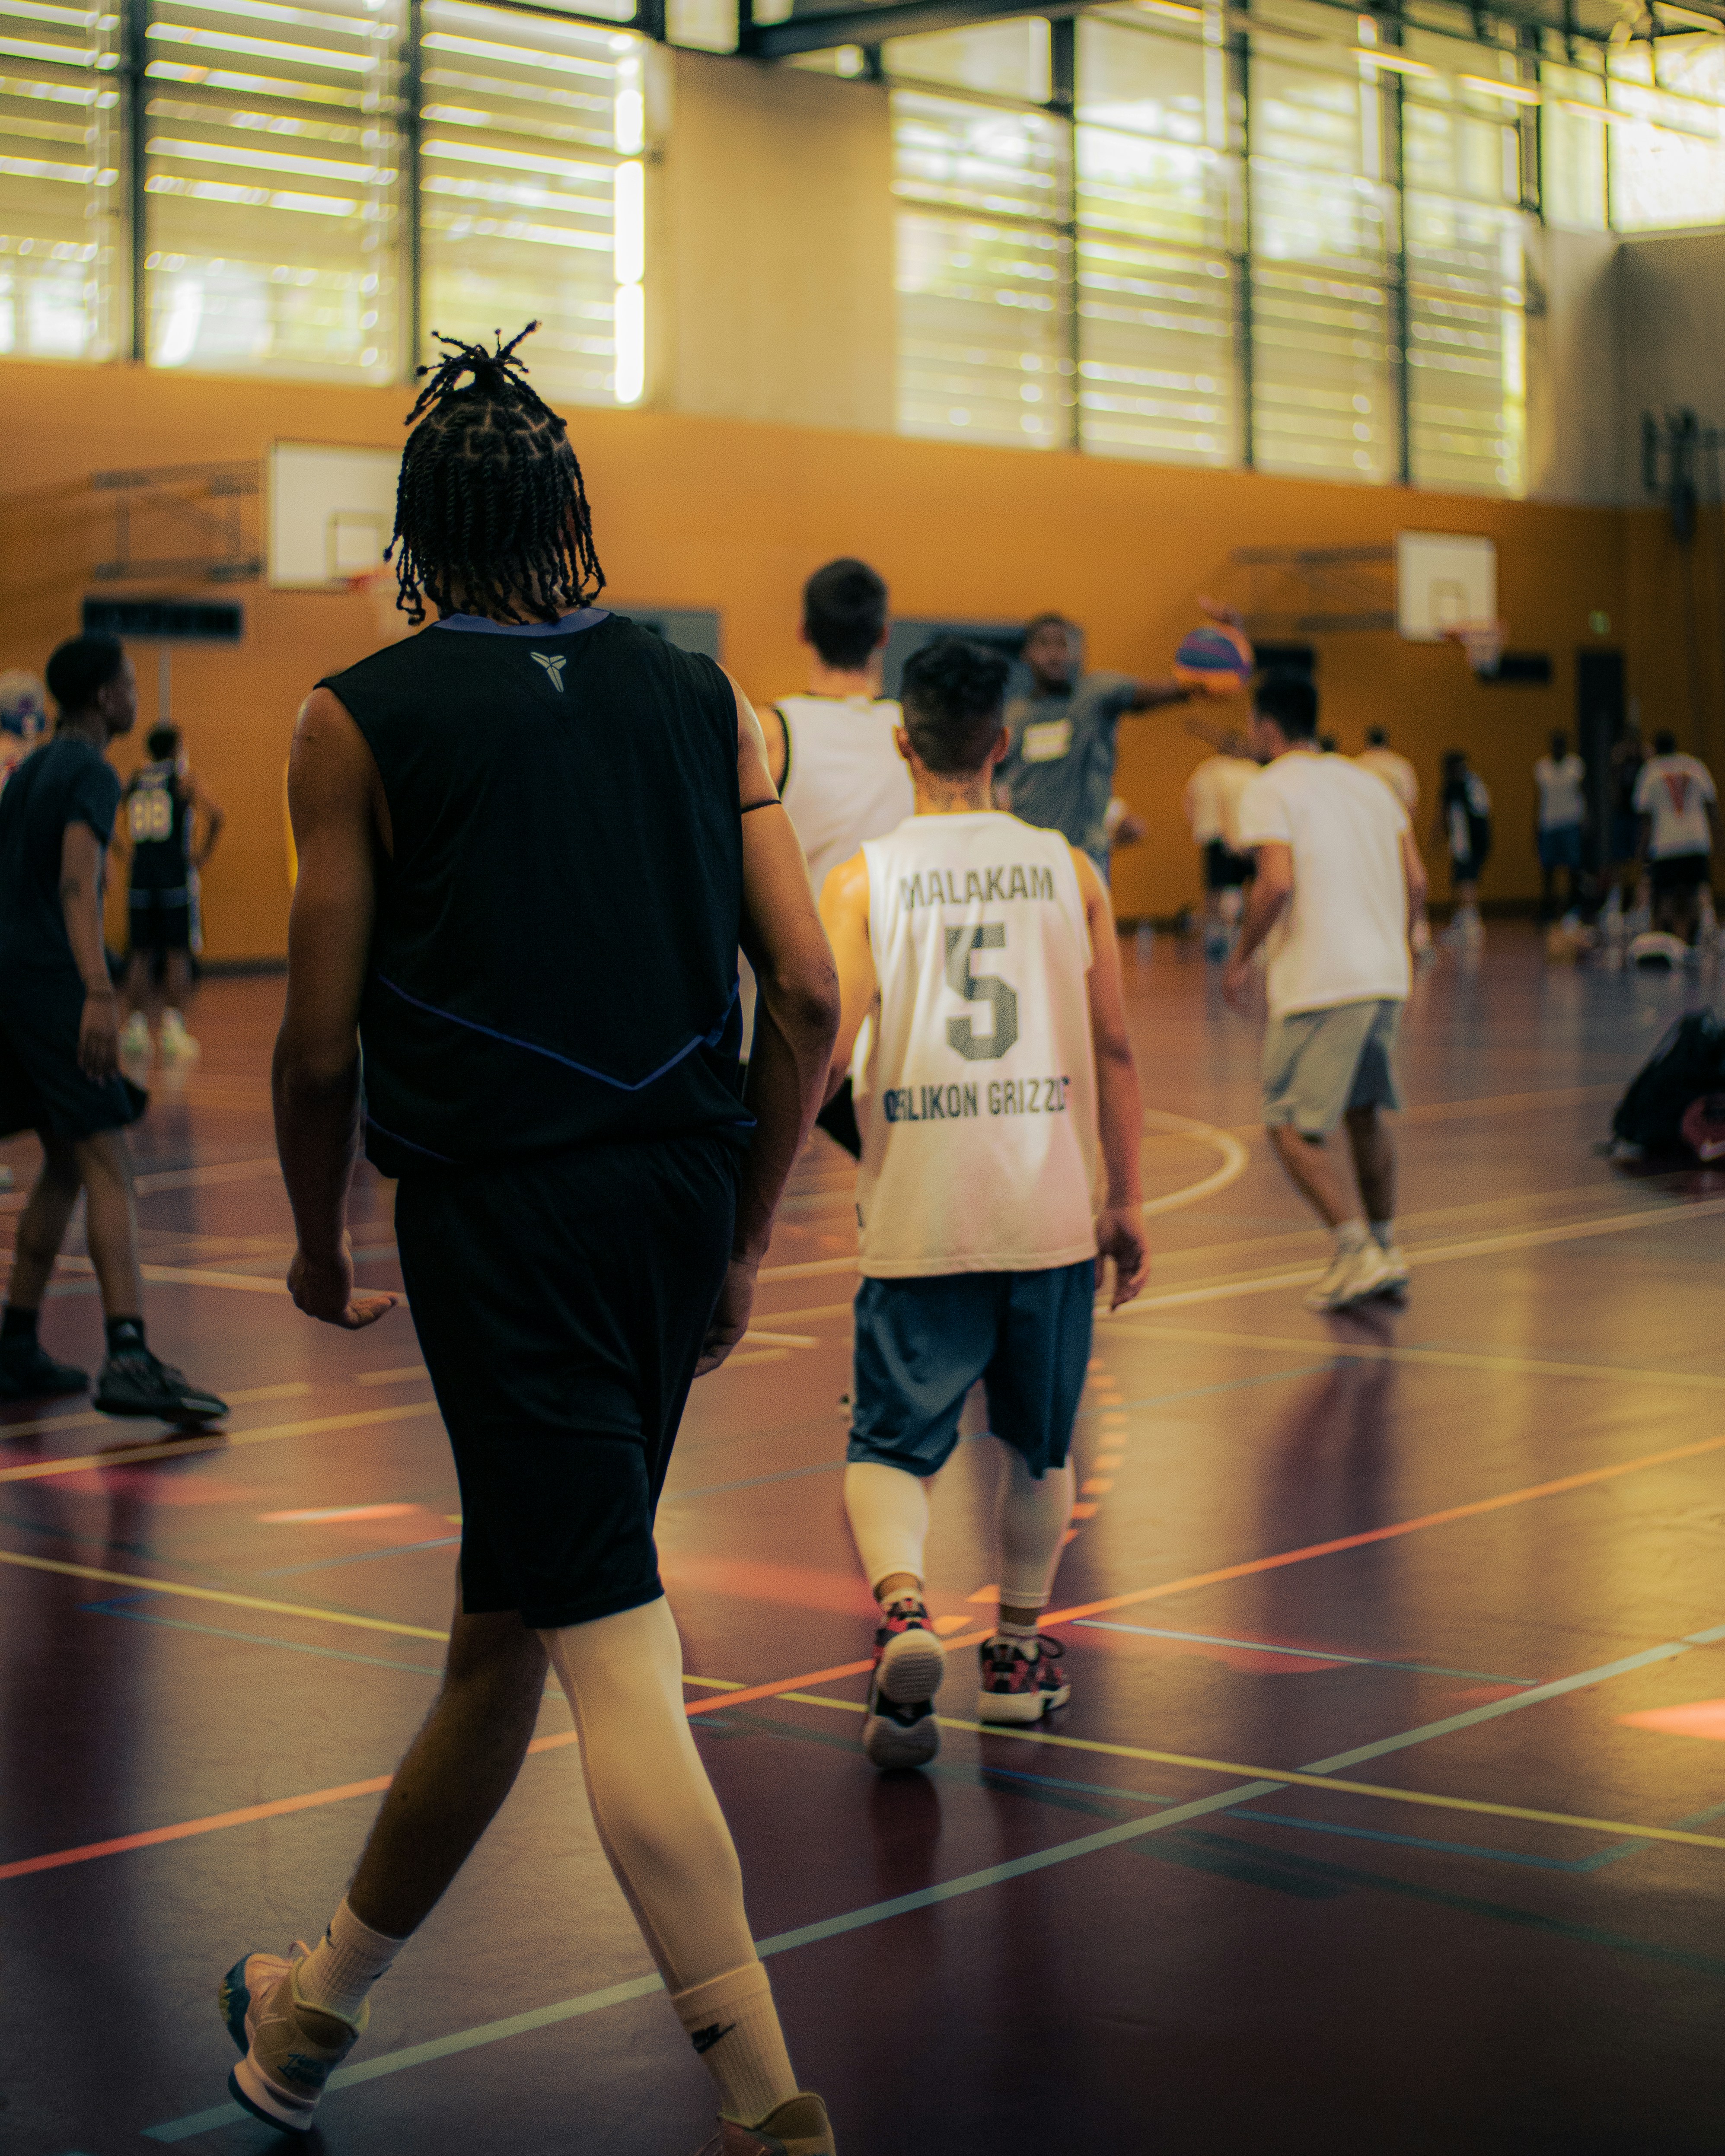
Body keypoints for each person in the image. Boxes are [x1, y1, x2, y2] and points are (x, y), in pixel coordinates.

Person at [226, 328, 842, 2156]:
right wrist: (737, 1240)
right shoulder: (708, 699)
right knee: (510, 1629)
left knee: (611, 1646)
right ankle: (306, 2015)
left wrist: (314, 1242)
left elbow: (317, 1037)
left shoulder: (353, 717)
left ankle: (768, 2096)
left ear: (416, 527)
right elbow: (806, 992)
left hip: (504, 1222)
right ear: (573, 517)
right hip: (671, 1200)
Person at [818, 638, 1149, 1771]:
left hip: (918, 1208)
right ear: (1002, 744)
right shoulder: (1072, 871)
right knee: (1038, 1446)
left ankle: (905, 1608)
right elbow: (1112, 1046)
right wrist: (1127, 1201)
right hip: (1045, 1204)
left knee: (887, 1444)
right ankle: (1013, 1658)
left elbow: (817, 1059)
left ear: (903, 742)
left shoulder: (864, 878)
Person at [0, 635, 227, 1418]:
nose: (137, 696)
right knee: (109, 1163)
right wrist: (99, 988)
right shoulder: (93, 772)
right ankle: (128, 1353)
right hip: (58, 987)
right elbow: (76, 880)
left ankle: (16, 1342)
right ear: (104, 696)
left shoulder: (28, 769)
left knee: (65, 1163)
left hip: (10, 986)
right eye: (130, 683)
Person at [1224, 672, 1426, 1313]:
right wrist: (1393, 943)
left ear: (1265, 728)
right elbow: (1416, 880)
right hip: (1383, 975)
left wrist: (1238, 958)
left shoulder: (1268, 787)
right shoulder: (1371, 784)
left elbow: (1275, 883)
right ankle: (1387, 1246)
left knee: (1286, 1123)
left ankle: (1354, 1249)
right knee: (1363, 1112)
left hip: (1320, 981)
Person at [757, 558, 911, 1160]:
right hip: (881, 1020)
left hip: (781, 1014)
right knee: (902, 1197)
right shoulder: (915, 736)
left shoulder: (769, 733)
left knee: (746, 1219)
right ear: (882, 635)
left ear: (803, 630)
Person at [996, 611, 1194, 869]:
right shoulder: (1013, 715)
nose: (1055, 654)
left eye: (1063, 644)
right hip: (1029, 855)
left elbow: (1162, 692)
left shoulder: (1096, 695)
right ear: (1027, 654)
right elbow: (994, 779)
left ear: (1076, 652)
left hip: (1086, 854)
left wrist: (1210, 667)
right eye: (1044, 645)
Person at [115, 721, 224, 1064]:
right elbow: (217, 815)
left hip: (141, 878)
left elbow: (105, 820)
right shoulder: (183, 781)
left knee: (140, 952)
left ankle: (133, 1029)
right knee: (178, 953)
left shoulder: (134, 780)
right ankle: (172, 1031)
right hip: (175, 879)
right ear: (177, 748)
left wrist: (126, 852)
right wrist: (201, 856)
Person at [1635, 729, 1719, 949]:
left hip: (1666, 843)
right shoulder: (1695, 766)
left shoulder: (1650, 771)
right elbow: (1712, 807)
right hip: (1696, 840)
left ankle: (1668, 943)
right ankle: (1701, 937)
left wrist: (1642, 849)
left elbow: (1646, 817)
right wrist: (1717, 840)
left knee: (1665, 896)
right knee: (1698, 890)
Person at [1183, 745, 1258, 959]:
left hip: (1215, 834)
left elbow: (1188, 801)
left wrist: (1198, 823)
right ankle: (1236, 938)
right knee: (1238, 887)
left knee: (1218, 889)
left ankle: (1219, 938)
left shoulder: (1206, 771)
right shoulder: (1248, 771)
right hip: (1241, 834)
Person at [1436, 749, 1491, 948]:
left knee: (1468, 881)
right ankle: (1462, 921)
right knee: (1460, 880)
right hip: (1460, 844)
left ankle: (1471, 924)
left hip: (1473, 843)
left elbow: (1481, 815)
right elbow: (1444, 815)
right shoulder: (1451, 788)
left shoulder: (1472, 786)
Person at [1533, 729, 1586, 924]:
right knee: (1548, 870)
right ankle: (1549, 910)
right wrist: (1536, 827)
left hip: (1570, 822)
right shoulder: (1542, 767)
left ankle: (1574, 908)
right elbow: (1539, 799)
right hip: (1548, 823)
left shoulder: (1576, 766)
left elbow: (1582, 794)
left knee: (1573, 868)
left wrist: (1586, 820)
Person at [1355, 726, 1418, 817]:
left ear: (1367, 742)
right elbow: (1411, 805)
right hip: (1394, 822)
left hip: (1365, 821)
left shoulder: (1356, 765)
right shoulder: (1401, 765)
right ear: (1387, 742)